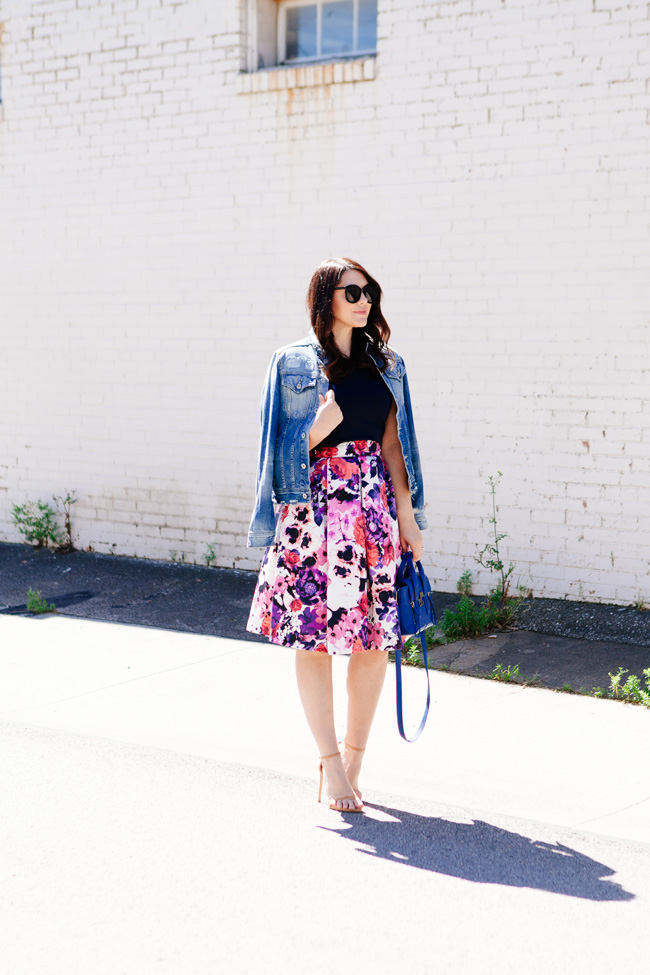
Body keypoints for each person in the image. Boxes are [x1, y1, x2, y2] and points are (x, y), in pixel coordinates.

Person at [246, 257, 427, 813]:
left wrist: (408, 513)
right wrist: (313, 430)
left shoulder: (388, 364)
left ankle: (352, 762)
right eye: (352, 291)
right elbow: (272, 453)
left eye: (369, 290)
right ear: (326, 298)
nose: (364, 299)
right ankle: (327, 760)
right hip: (313, 514)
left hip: (371, 512)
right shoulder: (292, 362)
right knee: (313, 639)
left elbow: (395, 446)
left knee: (374, 640)